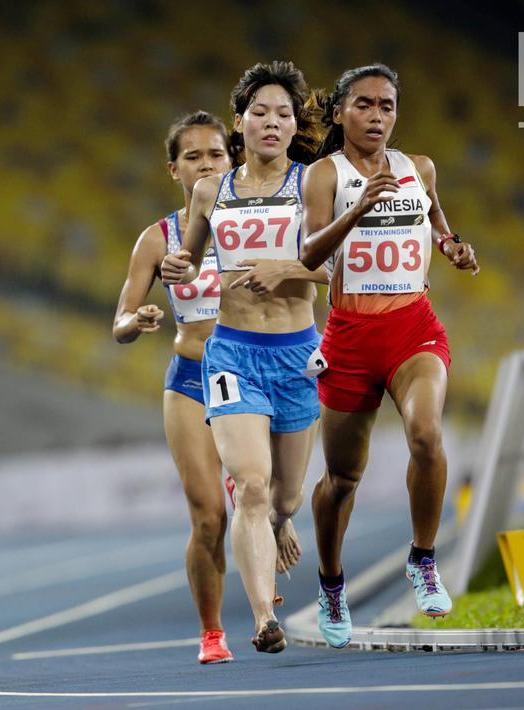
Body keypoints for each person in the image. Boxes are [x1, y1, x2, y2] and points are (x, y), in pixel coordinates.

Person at [298, 64, 479, 648]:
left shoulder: (416, 167)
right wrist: (359, 209)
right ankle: (331, 584)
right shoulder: (325, 174)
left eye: (387, 106)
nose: (377, 117)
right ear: (341, 113)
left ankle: (423, 559)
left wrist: (452, 246)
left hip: (412, 329)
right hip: (349, 337)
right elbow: (308, 255)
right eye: (364, 105)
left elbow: (433, 215)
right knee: (343, 479)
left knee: (426, 436)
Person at [161, 61, 328, 655]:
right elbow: (188, 258)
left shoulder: (313, 184)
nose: (272, 123)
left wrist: (285, 268)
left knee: (284, 498)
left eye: (284, 114)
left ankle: (280, 522)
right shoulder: (212, 190)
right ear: (241, 122)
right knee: (251, 488)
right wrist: (179, 264)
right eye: (260, 113)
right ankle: (263, 619)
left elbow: (335, 270)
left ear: (293, 125)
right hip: (232, 353)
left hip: (298, 353)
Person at [113, 111, 235, 664]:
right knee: (209, 515)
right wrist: (134, 323)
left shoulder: (252, 223)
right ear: (174, 170)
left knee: (271, 503)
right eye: (194, 156)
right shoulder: (155, 239)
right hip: (189, 378)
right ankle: (212, 632)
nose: (207, 164)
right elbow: (118, 321)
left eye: (216, 154)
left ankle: (264, 543)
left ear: (232, 159)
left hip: (251, 373)